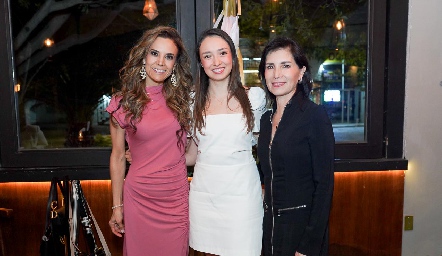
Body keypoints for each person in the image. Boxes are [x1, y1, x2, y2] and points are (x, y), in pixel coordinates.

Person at [106, 26, 193, 256]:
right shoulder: (122, 102)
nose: (160, 62)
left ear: (175, 64)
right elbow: (116, 156)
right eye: (154, 53)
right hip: (139, 199)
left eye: (169, 57)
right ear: (143, 55)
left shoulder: (185, 100)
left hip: (175, 200)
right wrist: (117, 206)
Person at [185, 28, 266, 256]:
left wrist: (270, 186)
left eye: (222, 53)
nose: (216, 61)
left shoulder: (254, 98)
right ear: (201, 62)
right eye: (208, 56)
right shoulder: (192, 101)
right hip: (204, 196)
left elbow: (264, 148)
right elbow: (191, 155)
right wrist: (150, 158)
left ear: (233, 56)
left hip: (243, 196)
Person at [257, 37, 335, 256]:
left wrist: (308, 246)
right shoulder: (265, 119)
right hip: (270, 228)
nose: (276, 74)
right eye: (270, 67)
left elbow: (324, 187)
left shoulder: (314, 116)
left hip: (302, 232)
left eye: (285, 65)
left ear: (301, 72)